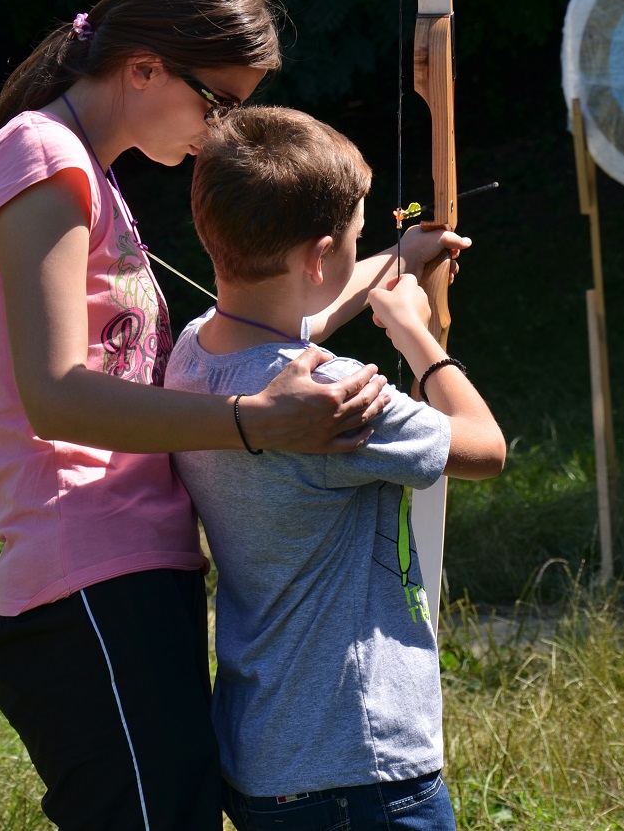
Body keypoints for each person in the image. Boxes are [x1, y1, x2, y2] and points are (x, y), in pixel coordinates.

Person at [0, 0, 469, 831]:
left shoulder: (88, 171)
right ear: (145, 66)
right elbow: (54, 395)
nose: (221, 126)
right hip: (82, 580)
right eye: (218, 100)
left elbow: (263, 317)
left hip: (130, 573)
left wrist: (393, 264)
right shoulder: (41, 158)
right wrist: (256, 422)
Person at [167, 106, 506, 831]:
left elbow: (290, 320)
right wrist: (416, 333)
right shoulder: (339, 400)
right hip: (362, 764)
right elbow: (484, 447)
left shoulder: (194, 354)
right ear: (320, 258)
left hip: (266, 757)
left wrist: (396, 259)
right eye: (357, 238)